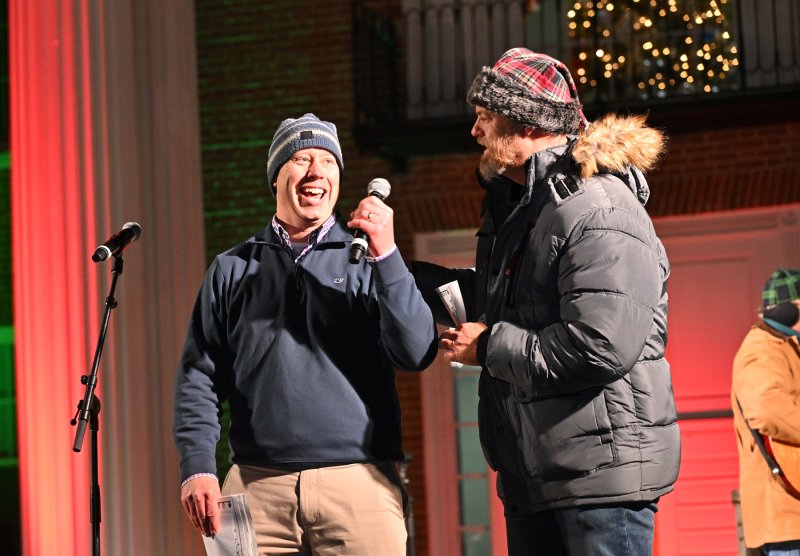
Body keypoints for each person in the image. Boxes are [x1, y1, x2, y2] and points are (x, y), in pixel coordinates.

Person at [412, 48, 681, 555]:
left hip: (599, 482)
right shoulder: (531, 207)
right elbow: (510, 300)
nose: (475, 132)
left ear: (529, 123)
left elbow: (599, 345)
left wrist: (489, 346)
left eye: (486, 118)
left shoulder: (597, 207)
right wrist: (398, 271)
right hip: (539, 475)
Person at [173, 113, 438, 555]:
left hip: (361, 486)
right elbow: (198, 378)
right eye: (300, 158)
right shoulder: (232, 268)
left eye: (327, 162)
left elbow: (415, 352)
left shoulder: (371, 258)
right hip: (256, 488)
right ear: (277, 177)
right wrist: (197, 466)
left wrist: (388, 255)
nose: (316, 172)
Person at [732, 268, 800, 556]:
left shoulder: (783, 345)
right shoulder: (762, 348)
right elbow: (765, 407)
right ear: (791, 308)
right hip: (784, 510)